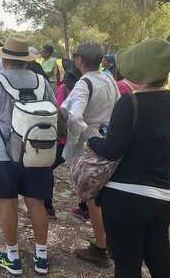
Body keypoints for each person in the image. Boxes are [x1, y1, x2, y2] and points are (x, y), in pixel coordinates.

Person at [88, 38, 170, 278]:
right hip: (163, 196)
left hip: (126, 195)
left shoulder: (130, 102)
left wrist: (92, 141)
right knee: (160, 261)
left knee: (127, 266)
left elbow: (112, 150)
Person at [0, 35, 56, 275]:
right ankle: (41, 257)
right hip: (37, 152)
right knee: (37, 204)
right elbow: (55, 113)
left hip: (3, 154)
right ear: (27, 60)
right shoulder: (42, 82)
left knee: (7, 204)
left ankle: (12, 257)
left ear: (4, 60)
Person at [61, 41, 120, 267]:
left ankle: (100, 248)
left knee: (93, 196)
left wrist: (76, 137)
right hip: (109, 137)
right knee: (105, 193)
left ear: (79, 60)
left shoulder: (84, 83)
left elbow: (75, 116)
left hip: (91, 143)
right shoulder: (108, 79)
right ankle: (110, 243)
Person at [43, 58, 82, 217]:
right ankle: (86, 208)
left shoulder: (63, 89)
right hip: (84, 137)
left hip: (63, 138)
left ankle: (47, 206)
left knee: (46, 168)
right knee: (84, 173)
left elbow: (57, 112)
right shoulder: (87, 89)